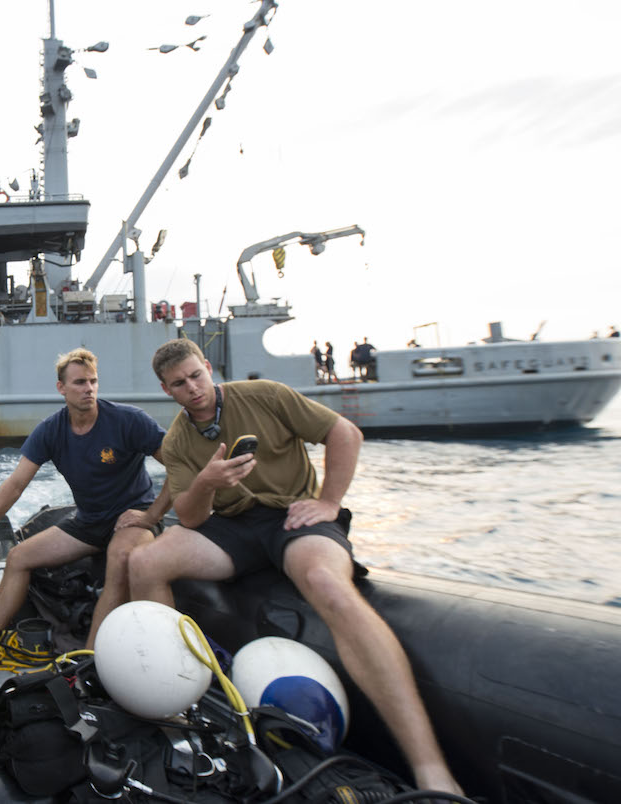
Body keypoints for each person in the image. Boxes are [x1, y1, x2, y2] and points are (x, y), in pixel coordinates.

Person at [129, 338, 461, 796]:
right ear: (167, 391)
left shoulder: (266, 395)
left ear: (208, 368)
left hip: (291, 515)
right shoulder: (179, 440)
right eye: (179, 384)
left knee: (327, 582)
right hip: (232, 527)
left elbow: (344, 433)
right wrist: (207, 481)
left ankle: (431, 769)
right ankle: (176, 710)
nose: (192, 388)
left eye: (196, 376)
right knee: (145, 560)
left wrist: (328, 502)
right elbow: (189, 516)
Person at [0, 348, 171, 674]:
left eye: (93, 382)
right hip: (90, 519)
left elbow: (179, 465)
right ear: (61, 388)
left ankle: (89, 661)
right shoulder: (52, 430)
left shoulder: (128, 420)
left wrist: (152, 516)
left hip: (133, 515)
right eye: (79, 383)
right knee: (19, 557)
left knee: (120, 560)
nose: (88, 389)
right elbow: (16, 484)